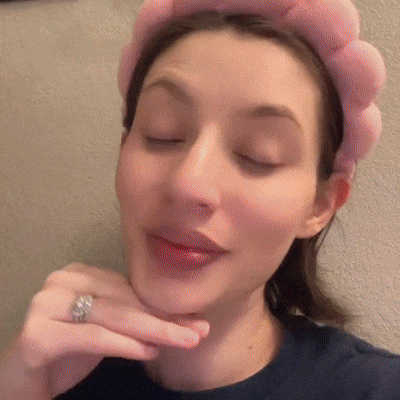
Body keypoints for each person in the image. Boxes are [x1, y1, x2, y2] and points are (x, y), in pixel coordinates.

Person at [1, 0, 399, 399]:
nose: (188, 183)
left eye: (258, 155)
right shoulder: (54, 370)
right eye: (163, 134)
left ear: (320, 205)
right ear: (123, 151)